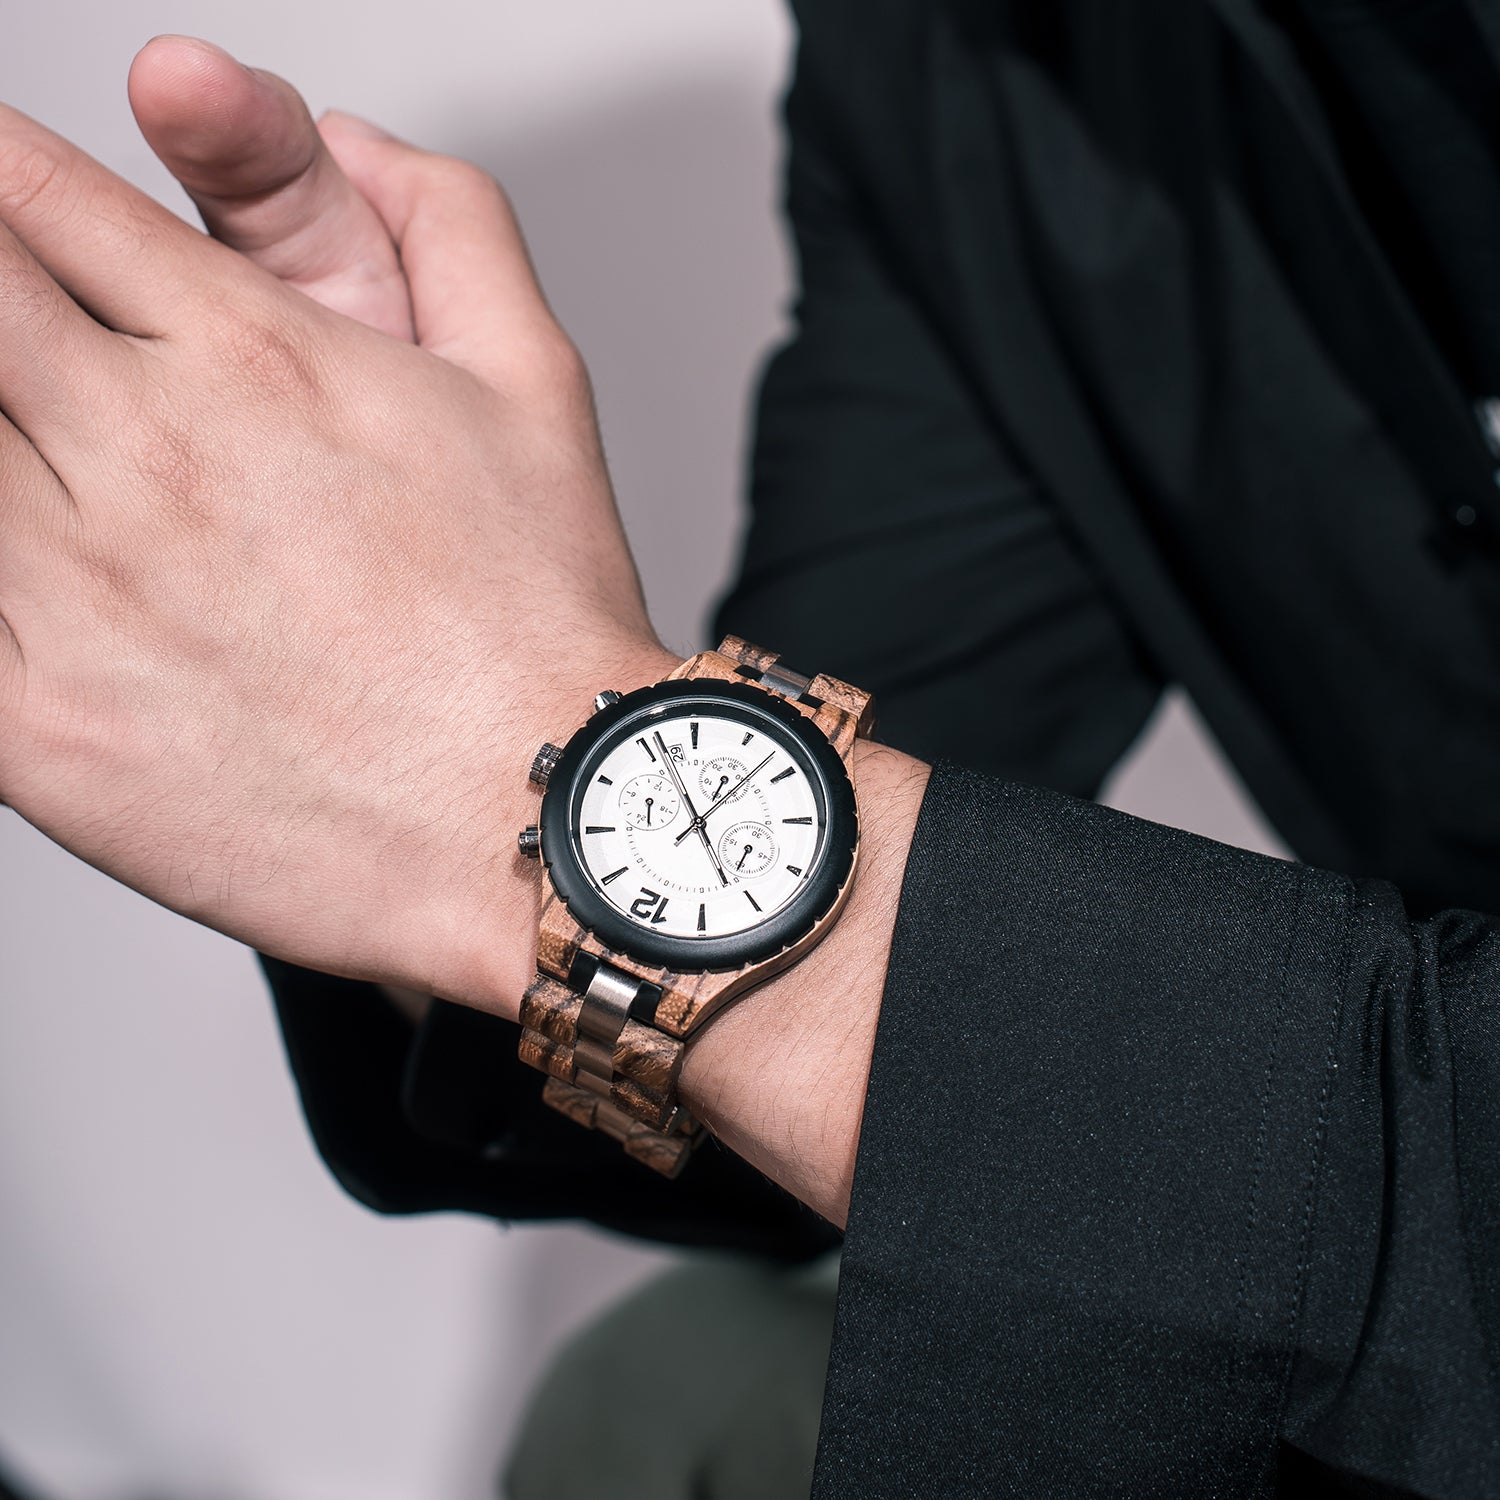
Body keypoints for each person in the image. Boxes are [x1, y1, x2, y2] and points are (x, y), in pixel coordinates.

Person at [1, 4, 1497, 1494]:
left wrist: (486, 752)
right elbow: (809, 962)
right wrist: (364, 673)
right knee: (664, 1402)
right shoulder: (958, 71)